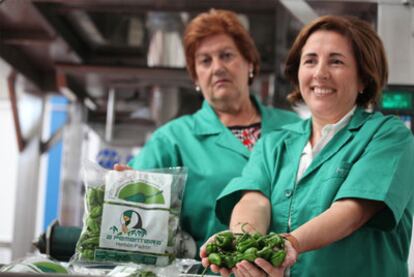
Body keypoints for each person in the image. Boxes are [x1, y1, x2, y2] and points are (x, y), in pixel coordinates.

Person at [201, 15, 414, 276]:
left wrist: (290, 244)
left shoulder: (388, 136)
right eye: (310, 60)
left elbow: (353, 211)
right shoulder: (275, 143)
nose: (320, 73)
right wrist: (243, 244)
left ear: (363, 78)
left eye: (336, 61)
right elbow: (254, 200)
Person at [124, 9, 299, 254]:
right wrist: (121, 186)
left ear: (250, 63)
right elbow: (133, 203)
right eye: (205, 61)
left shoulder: (294, 128)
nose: (217, 68)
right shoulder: (172, 139)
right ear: (196, 76)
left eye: (227, 55)